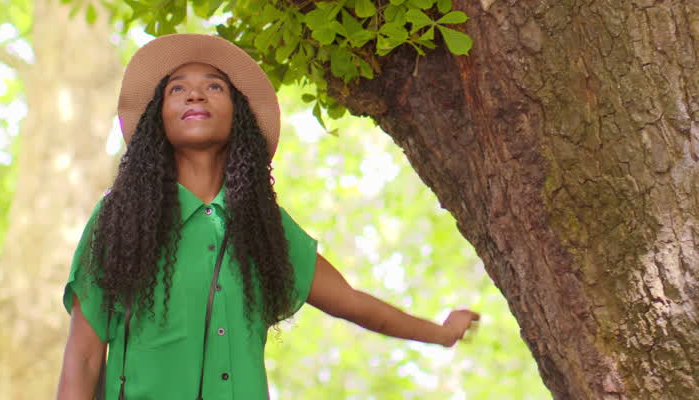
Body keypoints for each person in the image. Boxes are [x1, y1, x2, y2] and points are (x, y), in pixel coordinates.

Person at [55, 34, 479, 399]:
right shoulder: (118, 218)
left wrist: (439, 333)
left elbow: (352, 303)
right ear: (158, 121)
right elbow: (84, 355)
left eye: (214, 87)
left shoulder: (264, 229)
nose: (195, 95)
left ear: (238, 116)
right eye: (177, 89)